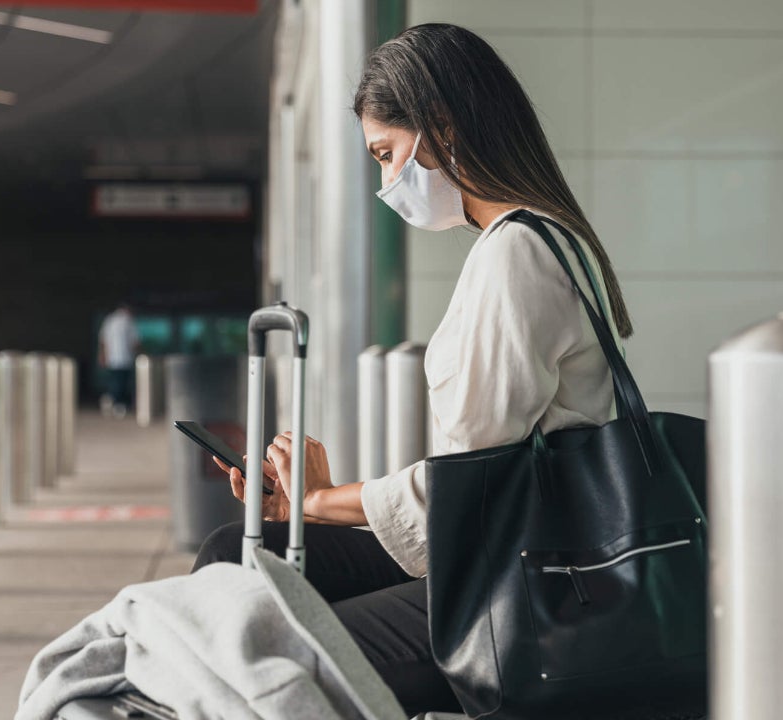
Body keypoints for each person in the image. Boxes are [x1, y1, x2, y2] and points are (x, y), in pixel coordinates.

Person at [192, 23, 636, 715]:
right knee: (237, 552)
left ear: (443, 127)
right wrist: (313, 506)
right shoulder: (538, 238)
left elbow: (470, 488)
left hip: (520, 578)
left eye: (386, 153)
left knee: (265, 645)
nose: (385, 181)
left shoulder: (518, 253)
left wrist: (318, 502)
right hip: (513, 545)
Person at [98, 302, 140, 418]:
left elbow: (102, 340)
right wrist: (141, 353)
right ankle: (118, 404)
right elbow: (135, 341)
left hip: (112, 358)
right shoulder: (129, 321)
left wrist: (102, 355)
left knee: (114, 380)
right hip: (125, 358)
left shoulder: (110, 320)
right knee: (122, 382)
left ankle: (110, 398)